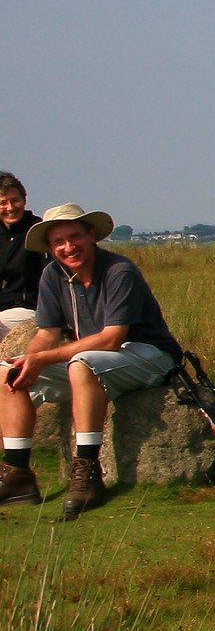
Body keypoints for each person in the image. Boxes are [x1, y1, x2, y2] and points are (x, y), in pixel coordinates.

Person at [0, 204, 184, 518]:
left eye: (75, 237)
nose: (68, 247)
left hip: (149, 356)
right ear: (49, 247)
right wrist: (30, 360)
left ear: (92, 235)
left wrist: (44, 358)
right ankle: (17, 475)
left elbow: (112, 338)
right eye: (58, 241)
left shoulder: (118, 270)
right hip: (98, 361)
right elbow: (47, 332)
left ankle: (86, 472)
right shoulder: (52, 275)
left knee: (82, 363)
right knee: (6, 372)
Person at [0, 174, 43, 331]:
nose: (10, 207)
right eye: (3, 203)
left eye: (14, 200)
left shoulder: (37, 230)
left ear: (24, 200)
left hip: (25, 308)